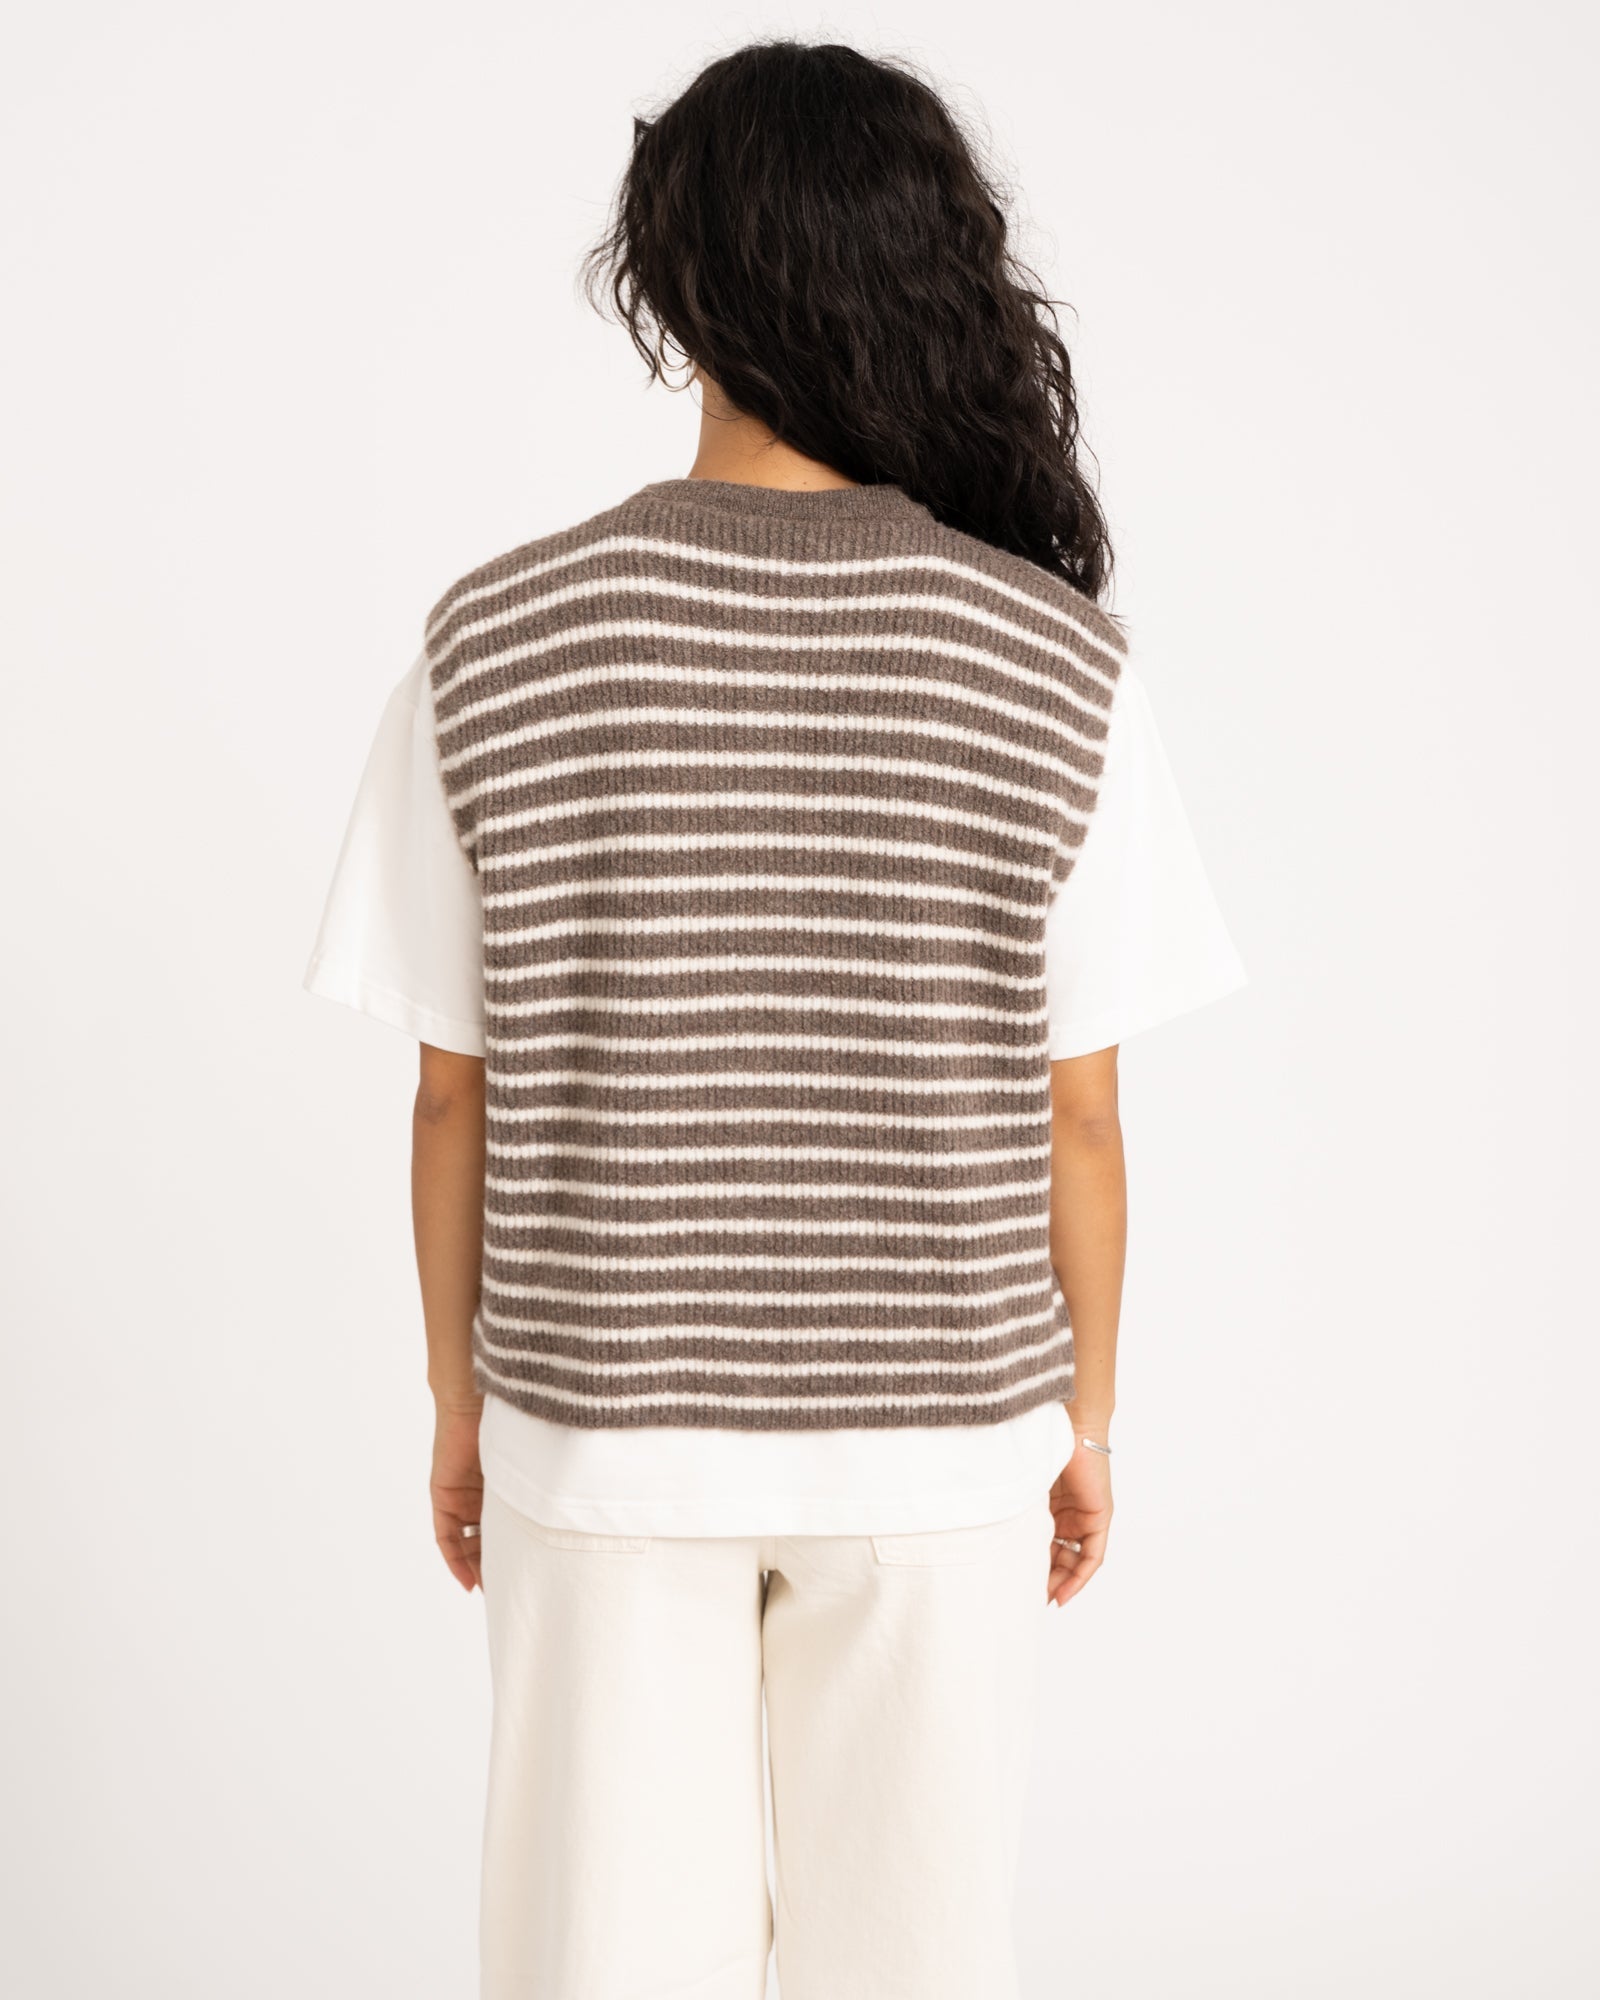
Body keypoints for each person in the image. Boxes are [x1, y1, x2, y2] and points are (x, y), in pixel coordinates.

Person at [305, 38, 1245, 2000]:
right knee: (914, 1952)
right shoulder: (1049, 658)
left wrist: (459, 1406)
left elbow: (451, 1095)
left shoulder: (495, 635)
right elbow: (1078, 1111)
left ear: (673, 281)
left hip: (600, 1425)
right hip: (939, 1437)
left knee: (595, 1954)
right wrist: (1082, 1423)